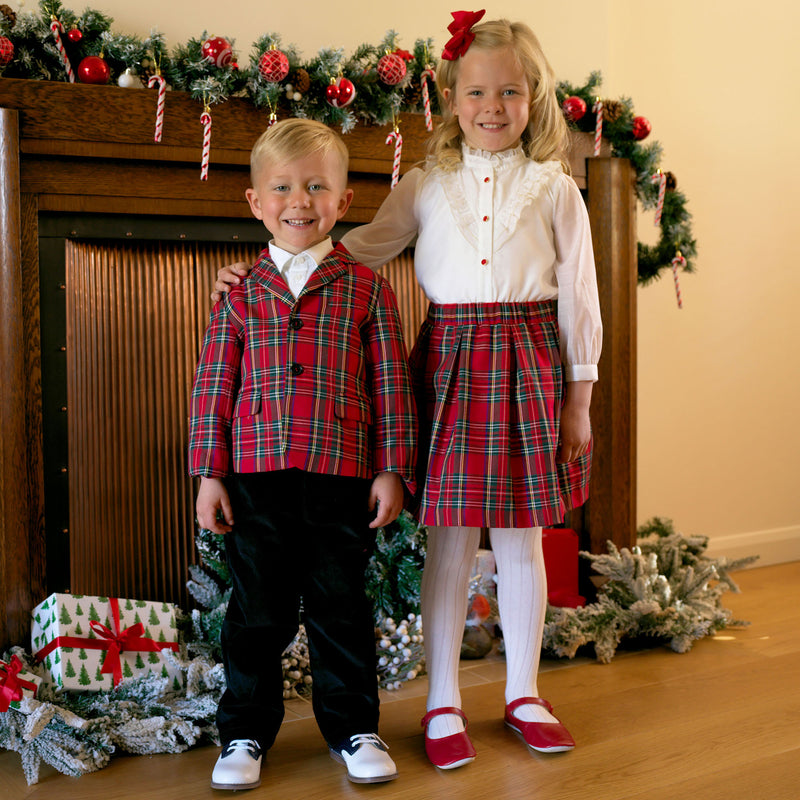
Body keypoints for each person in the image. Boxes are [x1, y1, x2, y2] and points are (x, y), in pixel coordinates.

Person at [213, 11, 602, 771]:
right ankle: (443, 700)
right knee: (449, 536)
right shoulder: (425, 185)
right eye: (476, 92)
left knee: (521, 536)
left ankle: (524, 692)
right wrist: (266, 270)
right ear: (450, 99)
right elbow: (354, 247)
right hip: (450, 365)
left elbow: (580, 297)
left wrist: (578, 399)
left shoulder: (556, 189)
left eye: (510, 92)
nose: (492, 107)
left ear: (534, 97)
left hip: (529, 366)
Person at [189, 117, 417, 790]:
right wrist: (209, 474)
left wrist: (391, 468)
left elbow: (390, 384)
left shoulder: (368, 288)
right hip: (255, 477)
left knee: (339, 606)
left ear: (344, 201)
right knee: (255, 611)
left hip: (339, 475)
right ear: (256, 202)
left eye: (317, 186)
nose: (300, 200)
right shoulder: (238, 294)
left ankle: (353, 727)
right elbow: (214, 386)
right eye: (283, 187)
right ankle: (243, 732)